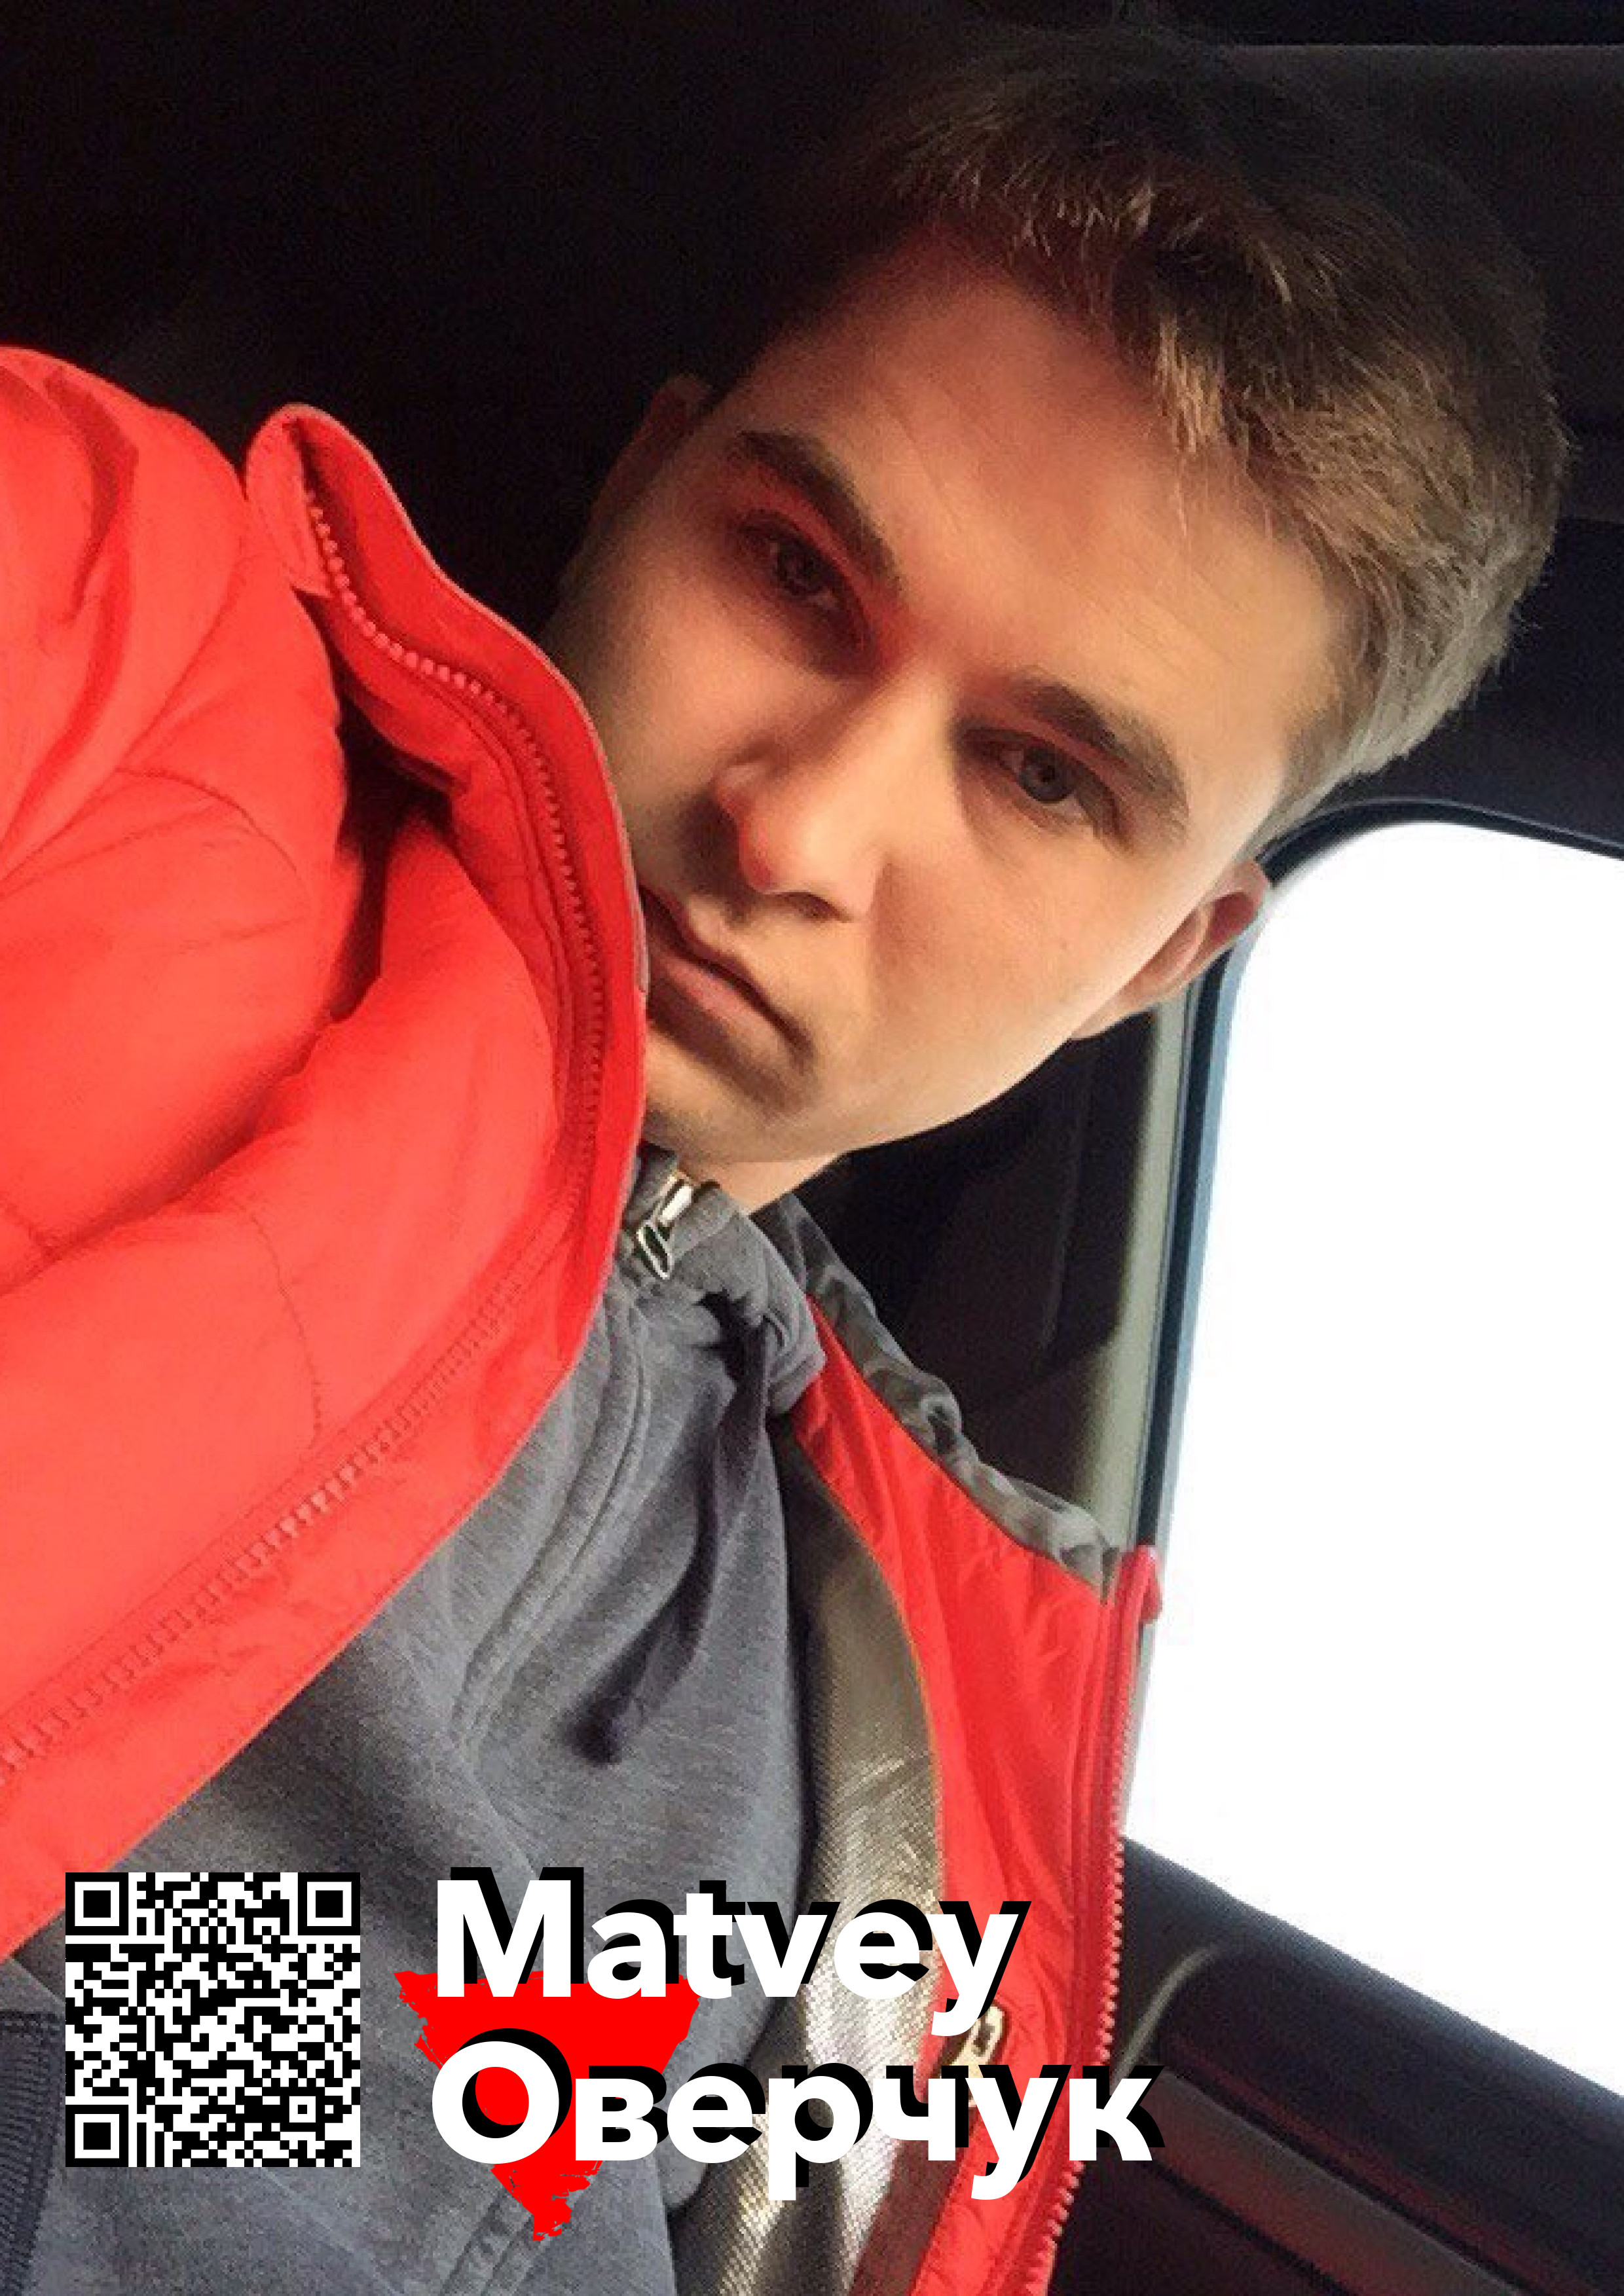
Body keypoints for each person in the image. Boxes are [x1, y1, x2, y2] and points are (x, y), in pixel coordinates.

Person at [0, 20, 1566, 2296]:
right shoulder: (118, 665)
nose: (797, 830)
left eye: (1042, 778)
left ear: (1162, 959)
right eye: (795, 572)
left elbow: (290, 2076)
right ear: (646, 481)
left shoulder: (866, 1679)